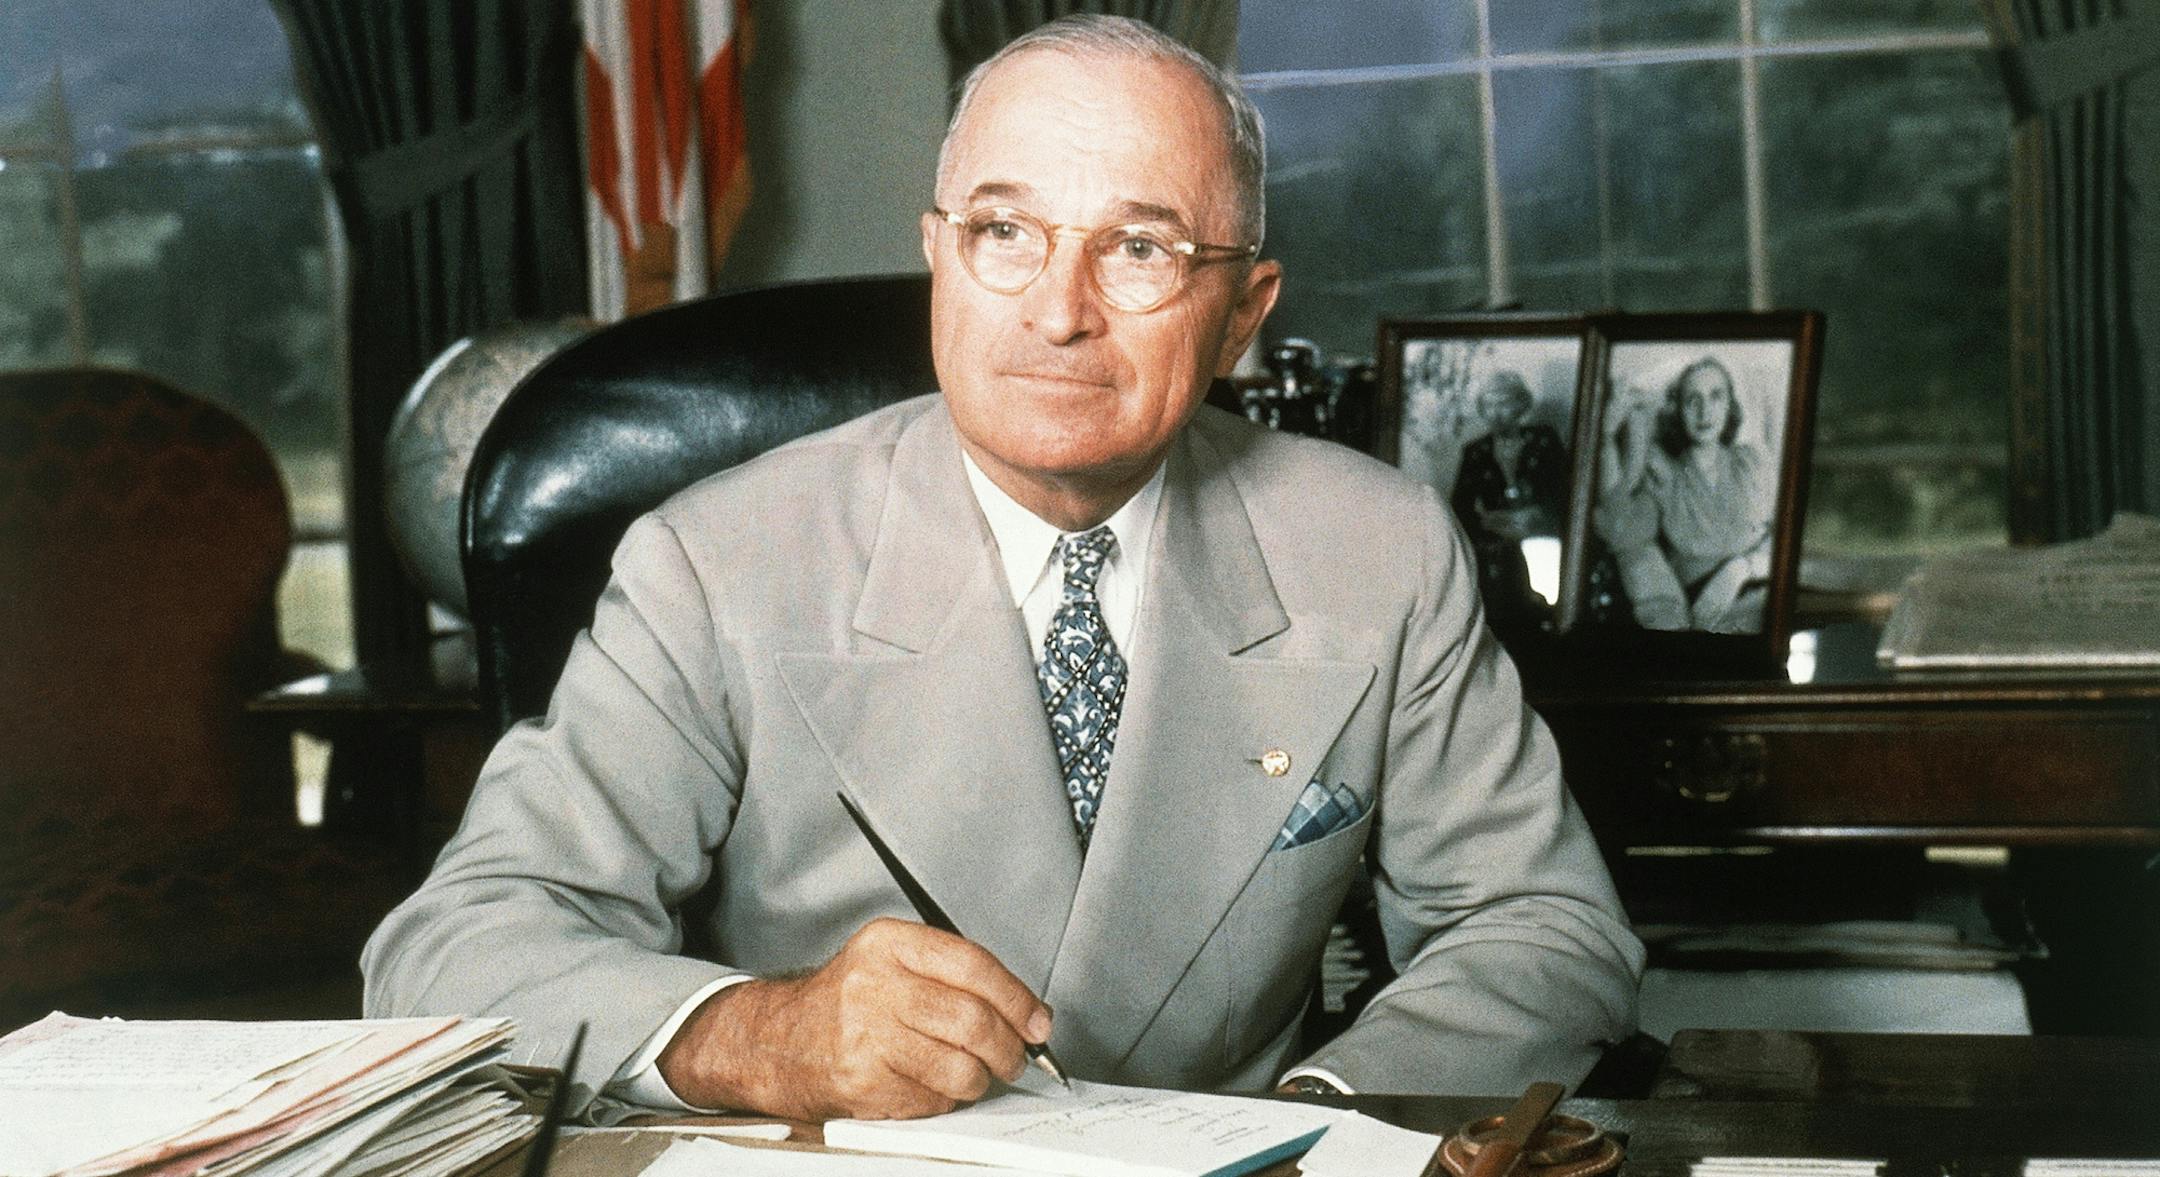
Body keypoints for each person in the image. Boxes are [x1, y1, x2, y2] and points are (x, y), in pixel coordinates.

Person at [362, 15, 1642, 1121]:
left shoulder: (1379, 550)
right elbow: (450, 950)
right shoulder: (717, 563)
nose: (1058, 309)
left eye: (1140, 249)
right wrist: (761, 1034)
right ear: (939, 255)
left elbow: (1545, 927)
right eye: (1004, 232)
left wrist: (1335, 1122)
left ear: (1245, 315)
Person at [1593, 356, 1775, 632]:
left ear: (1729, 405)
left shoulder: (1752, 463)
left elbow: (1789, 538)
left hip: (1766, 597)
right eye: (1693, 400)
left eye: (1716, 397)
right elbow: (1621, 528)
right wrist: (1609, 437)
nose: (1705, 412)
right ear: (1678, 411)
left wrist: (1741, 568)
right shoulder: (1664, 476)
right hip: (1708, 621)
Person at [1449, 370, 1569, 625]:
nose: (1496, 412)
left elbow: (1565, 492)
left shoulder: (1544, 440)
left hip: (1545, 540)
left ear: (1520, 404)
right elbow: (1460, 507)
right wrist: (1488, 522)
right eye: (1489, 405)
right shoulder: (1475, 451)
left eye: (1503, 403)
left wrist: (1538, 515)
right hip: (1498, 549)